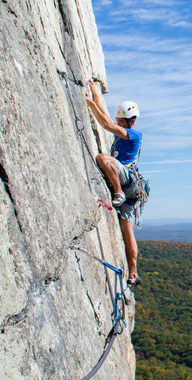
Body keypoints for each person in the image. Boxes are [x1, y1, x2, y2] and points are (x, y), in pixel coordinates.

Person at [86, 79, 141, 286]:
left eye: (121, 120)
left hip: (126, 181)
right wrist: (95, 94)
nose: (118, 123)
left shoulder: (133, 134)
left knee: (103, 158)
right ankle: (133, 273)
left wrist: (90, 104)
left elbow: (107, 124)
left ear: (130, 121)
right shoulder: (125, 129)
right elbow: (109, 119)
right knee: (128, 234)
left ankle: (116, 192)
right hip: (132, 189)